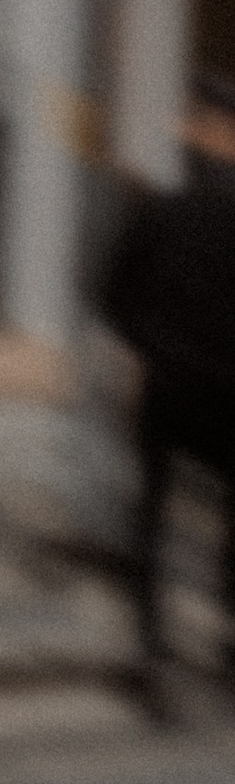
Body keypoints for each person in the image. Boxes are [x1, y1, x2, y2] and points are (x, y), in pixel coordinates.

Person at [101, 76, 235, 707]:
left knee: (150, 514)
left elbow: (111, 297)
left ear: (197, 128)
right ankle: (228, 647)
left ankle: (149, 653)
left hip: (167, 383)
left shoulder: (160, 210)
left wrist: (148, 346)